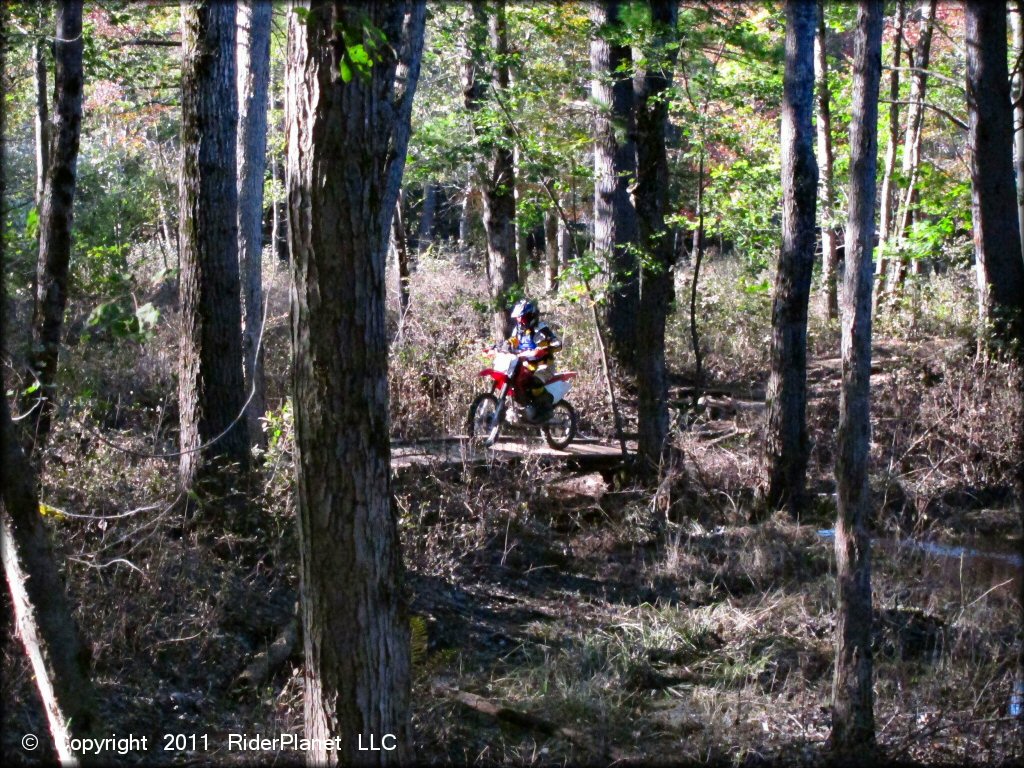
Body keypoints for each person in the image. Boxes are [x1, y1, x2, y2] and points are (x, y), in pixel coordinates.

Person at [507, 298, 562, 422]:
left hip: (544, 365)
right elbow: (511, 342)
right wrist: (496, 347)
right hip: (526, 365)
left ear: (531, 316)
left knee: (534, 381)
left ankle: (546, 409)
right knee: (513, 381)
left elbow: (558, 343)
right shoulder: (518, 331)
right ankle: (522, 409)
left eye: (523, 317)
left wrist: (544, 349)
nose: (520, 321)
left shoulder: (541, 329)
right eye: (518, 318)